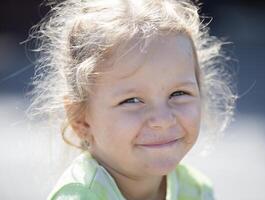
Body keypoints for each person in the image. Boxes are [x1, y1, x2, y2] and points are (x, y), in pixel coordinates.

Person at [26, 0, 236, 199]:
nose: (162, 120)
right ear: (81, 119)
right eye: (132, 100)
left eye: (178, 94)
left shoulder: (196, 190)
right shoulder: (81, 196)